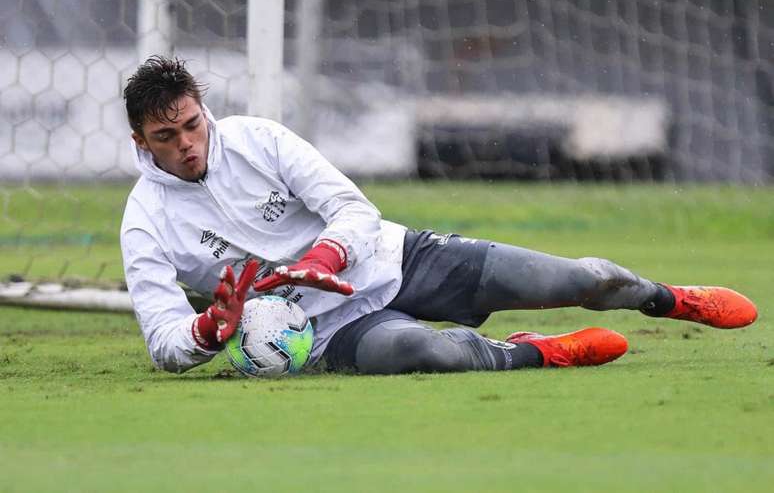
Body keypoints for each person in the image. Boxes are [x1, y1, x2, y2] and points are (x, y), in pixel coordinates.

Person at [120, 56, 758, 375]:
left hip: (394, 259)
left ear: (204, 110)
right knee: (437, 355)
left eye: (192, 125)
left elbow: (352, 209)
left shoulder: (259, 138)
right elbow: (163, 342)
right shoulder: (146, 222)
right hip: (320, 330)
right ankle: (531, 354)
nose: (187, 144)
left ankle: (667, 297)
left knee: (578, 281)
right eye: (166, 136)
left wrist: (322, 257)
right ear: (140, 143)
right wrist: (208, 329)